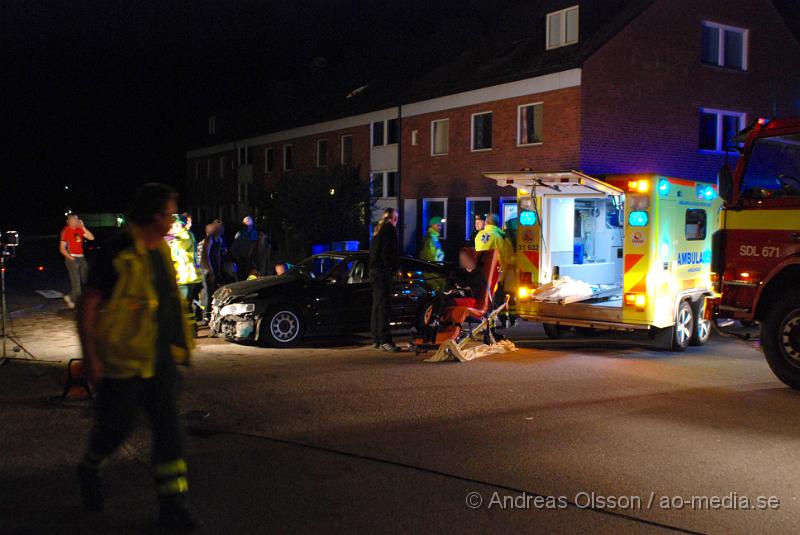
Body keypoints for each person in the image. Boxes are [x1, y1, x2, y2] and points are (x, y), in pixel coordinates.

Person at [76, 183, 201, 531]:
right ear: (155, 216)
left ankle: (173, 505)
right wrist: (91, 358)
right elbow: (88, 305)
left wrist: (180, 346)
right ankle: (89, 468)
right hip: (124, 363)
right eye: (170, 213)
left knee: (170, 433)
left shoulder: (161, 249)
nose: (173, 220)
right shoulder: (116, 251)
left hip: (159, 361)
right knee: (114, 430)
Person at [475, 213, 515, 330]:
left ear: (486, 223)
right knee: (496, 300)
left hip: (480, 273)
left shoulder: (479, 236)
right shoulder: (500, 237)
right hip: (496, 274)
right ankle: (494, 325)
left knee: (484, 300)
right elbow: (508, 258)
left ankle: (486, 325)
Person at [369, 208, 399, 352]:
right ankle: (385, 339)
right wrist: (392, 269)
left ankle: (376, 338)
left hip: (374, 272)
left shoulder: (377, 230)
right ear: (393, 218)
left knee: (376, 305)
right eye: (396, 219)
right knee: (384, 306)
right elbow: (387, 252)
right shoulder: (389, 230)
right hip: (382, 272)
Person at [167, 214, 202, 331]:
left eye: (173, 225)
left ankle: (190, 330)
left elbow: (182, 242)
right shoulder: (184, 235)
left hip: (185, 276)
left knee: (184, 305)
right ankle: (191, 328)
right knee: (186, 305)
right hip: (185, 276)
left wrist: (171, 237)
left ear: (178, 225)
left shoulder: (184, 235)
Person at [60, 214, 95, 309]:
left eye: (76, 220)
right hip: (71, 258)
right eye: (72, 220)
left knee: (85, 281)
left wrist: (83, 227)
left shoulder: (79, 229)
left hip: (81, 257)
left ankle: (70, 297)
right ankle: (75, 303)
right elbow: (62, 249)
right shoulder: (65, 231)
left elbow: (92, 238)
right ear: (68, 222)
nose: (74, 222)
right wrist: (71, 258)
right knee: (76, 283)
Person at [197, 222, 224, 325]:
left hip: (212, 268)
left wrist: (218, 270)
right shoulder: (210, 239)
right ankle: (205, 316)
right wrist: (211, 271)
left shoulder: (218, 240)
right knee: (206, 293)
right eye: (220, 228)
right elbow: (205, 256)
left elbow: (217, 256)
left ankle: (210, 314)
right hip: (206, 269)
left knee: (212, 292)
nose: (222, 230)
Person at [230, 216, 258, 281]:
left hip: (251, 259)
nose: (249, 227)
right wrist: (237, 258)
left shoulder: (253, 232)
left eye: (250, 225)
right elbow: (233, 248)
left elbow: (255, 243)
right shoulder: (239, 234)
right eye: (247, 225)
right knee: (242, 277)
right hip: (241, 259)